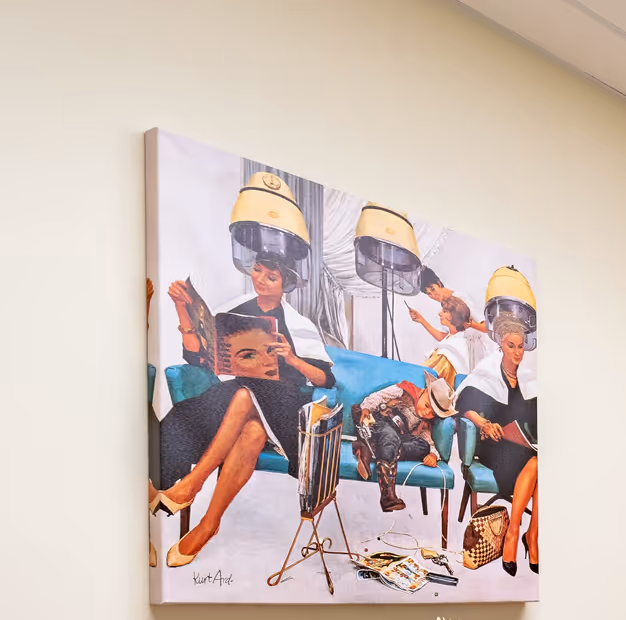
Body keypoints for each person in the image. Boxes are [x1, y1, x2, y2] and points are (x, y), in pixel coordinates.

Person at [151, 210, 336, 567]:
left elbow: (325, 379)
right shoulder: (231, 311)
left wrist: (293, 360)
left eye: (272, 277)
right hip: (240, 402)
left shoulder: (299, 324)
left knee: (244, 394)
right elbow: (197, 360)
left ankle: (192, 483)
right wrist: (182, 310)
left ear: (286, 284)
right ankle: (209, 525)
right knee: (249, 429)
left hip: (284, 406)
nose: (262, 280)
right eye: (258, 272)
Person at [456, 321, 538, 574]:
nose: (516, 352)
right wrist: (484, 423)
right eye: (510, 346)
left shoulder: (528, 379)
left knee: (541, 461)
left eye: (520, 347)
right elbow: (464, 405)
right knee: (537, 464)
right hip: (494, 444)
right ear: (501, 346)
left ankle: (527, 535)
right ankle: (520, 535)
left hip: (524, 445)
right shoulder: (488, 374)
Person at [355, 381, 442, 512]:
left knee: (423, 446)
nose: (426, 412)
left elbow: (427, 440)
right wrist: (367, 408)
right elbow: (377, 397)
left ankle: (370, 449)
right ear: (423, 392)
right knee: (390, 437)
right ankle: (388, 497)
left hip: (398, 437)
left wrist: (433, 454)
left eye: (432, 413)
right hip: (379, 424)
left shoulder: (423, 422)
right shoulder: (404, 390)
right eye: (427, 405)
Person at [407, 268, 485, 340]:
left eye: (433, 289)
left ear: (439, 283)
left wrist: (471, 325)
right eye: (429, 294)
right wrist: (421, 320)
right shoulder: (442, 311)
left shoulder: (461, 298)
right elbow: (446, 338)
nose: (433, 295)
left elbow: (485, 327)